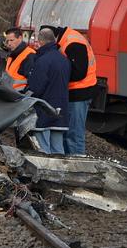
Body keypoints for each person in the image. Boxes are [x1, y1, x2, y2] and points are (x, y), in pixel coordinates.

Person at [41, 25, 98, 156]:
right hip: (75, 92)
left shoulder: (73, 44)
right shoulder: (68, 40)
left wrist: (57, 79)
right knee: (69, 132)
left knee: (74, 133)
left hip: (80, 93)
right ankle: (71, 161)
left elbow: (79, 72)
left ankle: (78, 164)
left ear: (54, 37)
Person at [26, 27, 71, 155]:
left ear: (40, 41)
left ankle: (45, 174)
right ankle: (60, 173)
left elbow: (36, 87)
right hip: (61, 110)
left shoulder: (42, 61)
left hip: (44, 110)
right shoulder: (64, 60)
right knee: (58, 149)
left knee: (43, 150)